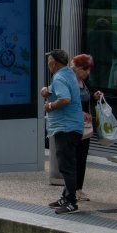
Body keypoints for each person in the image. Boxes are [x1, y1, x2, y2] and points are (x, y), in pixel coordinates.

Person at [40, 49, 84, 214]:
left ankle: (71, 202)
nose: (48, 63)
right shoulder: (68, 74)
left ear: (55, 63)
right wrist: (47, 89)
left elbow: (65, 98)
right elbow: (58, 88)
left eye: (50, 61)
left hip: (65, 127)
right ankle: (65, 197)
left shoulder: (59, 77)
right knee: (68, 163)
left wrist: (49, 106)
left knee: (66, 165)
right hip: (73, 126)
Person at [70, 53, 104, 203]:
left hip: (86, 127)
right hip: (74, 126)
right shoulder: (70, 82)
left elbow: (85, 100)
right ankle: (71, 190)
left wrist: (95, 97)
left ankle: (79, 190)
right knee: (73, 158)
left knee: (82, 158)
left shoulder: (83, 83)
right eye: (86, 69)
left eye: (89, 69)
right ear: (77, 68)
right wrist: (80, 112)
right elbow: (67, 103)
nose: (88, 73)